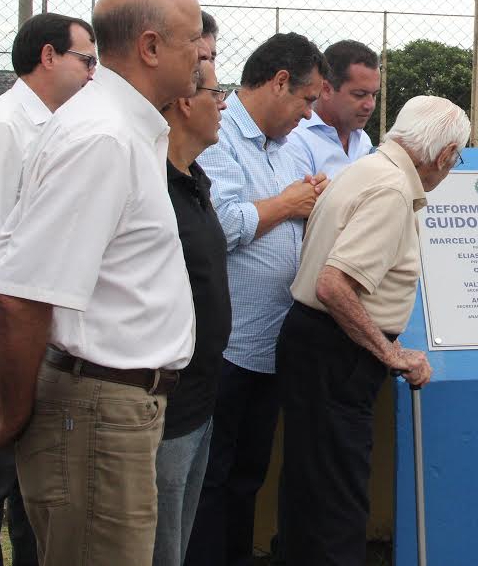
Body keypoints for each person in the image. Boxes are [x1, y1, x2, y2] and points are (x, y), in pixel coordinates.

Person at [0, 0, 210, 565]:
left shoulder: (122, 128)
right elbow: (19, 294)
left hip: (109, 409)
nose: (203, 55)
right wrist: (16, 410)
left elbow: (27, 261)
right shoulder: (103, 136)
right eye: (193, 40)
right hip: (96, 416)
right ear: (150, 47)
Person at [277, 95, 467, 565]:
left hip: (316, 344)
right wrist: (390, 353)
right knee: (337, 499)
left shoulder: (368, 168)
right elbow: (334, 284)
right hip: (336, 352)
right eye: (456, 159)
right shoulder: (392, 190)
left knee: (311, 489)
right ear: (443, 156)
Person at [0, 12, 96, 566]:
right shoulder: (1, 125)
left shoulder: (54, 125)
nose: (91, 73)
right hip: (1, 315)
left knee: (29, 470)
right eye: (86, 59)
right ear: (48, 57)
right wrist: (5, 330)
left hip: (32, 314)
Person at [186, 32, 328, 566]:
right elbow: (217, 225)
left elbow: (296, 212)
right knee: (211, 477)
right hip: (225, 345)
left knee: (248, 474)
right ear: (280, 81)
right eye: (307, 99)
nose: (309, 112)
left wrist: (307, 204)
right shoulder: (217, 138)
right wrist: (288, 203)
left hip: (271, 341)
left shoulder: (291, 146)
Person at [153, 61, 231, 566]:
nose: (224, 102)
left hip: (201, 398)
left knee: (179, 540)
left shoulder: (193, 179)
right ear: (185, 101)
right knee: (158, 544)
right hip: (167, 407)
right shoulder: (154, 185)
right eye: (215, 91)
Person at [286, 39, 379, 179]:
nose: (370, 105)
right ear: (326, 90)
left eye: (374, 95)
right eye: (360, 95)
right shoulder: (296, 140)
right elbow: (300, 200)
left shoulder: (362, 139)